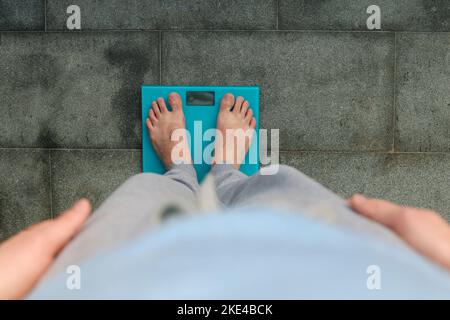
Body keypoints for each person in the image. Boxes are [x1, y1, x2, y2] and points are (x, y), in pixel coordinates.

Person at [1, 93, 450, 299]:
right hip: (353, 276)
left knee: (154, 197)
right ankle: (226, 170)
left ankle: (183, 171)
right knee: (277, 188)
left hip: (115, 280)